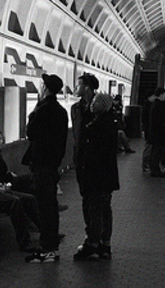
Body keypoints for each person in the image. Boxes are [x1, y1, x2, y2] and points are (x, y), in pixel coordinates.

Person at [23, 73, 69, 264]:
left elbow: (31, 132)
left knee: (45, 207)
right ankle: (51, 246)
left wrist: (35, 109)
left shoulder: (43, 110)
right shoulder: (61, 111)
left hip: (41, 164)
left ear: (45, 88)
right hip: (52, 164)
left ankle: (48, 249)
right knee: (50, 206)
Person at [73, 88, 120, 261]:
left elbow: (91, 152)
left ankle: (92, 244)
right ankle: (105, 244)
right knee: (105, 209)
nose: (94, 104)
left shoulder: (98, 125)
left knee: (94, 209)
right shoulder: (110, 123)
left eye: (97, 102)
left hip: (95, 176)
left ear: (104, 106)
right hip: (106, 176)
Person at [0, 129, 35, 194]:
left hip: (7, 180)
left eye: (2, 139)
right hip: (2, 183)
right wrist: (9, 176)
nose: (2, 141)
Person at [148, 87, 165, 177]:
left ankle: (154, 169)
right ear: (161, 94)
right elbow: (161, 119)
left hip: (155, 132)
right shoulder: (159, 105)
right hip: (159, 132)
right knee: (158, 151)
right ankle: (155, 170)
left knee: (155, 151)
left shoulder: (154, 104)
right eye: (164, 94)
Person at [141, 92, 156, 173]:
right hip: (149, 130)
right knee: (148, 147)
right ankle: (145, 165)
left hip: (148, 129)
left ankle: (146, 165)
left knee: (149, 147)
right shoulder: (148, 106)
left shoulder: (147, 105)